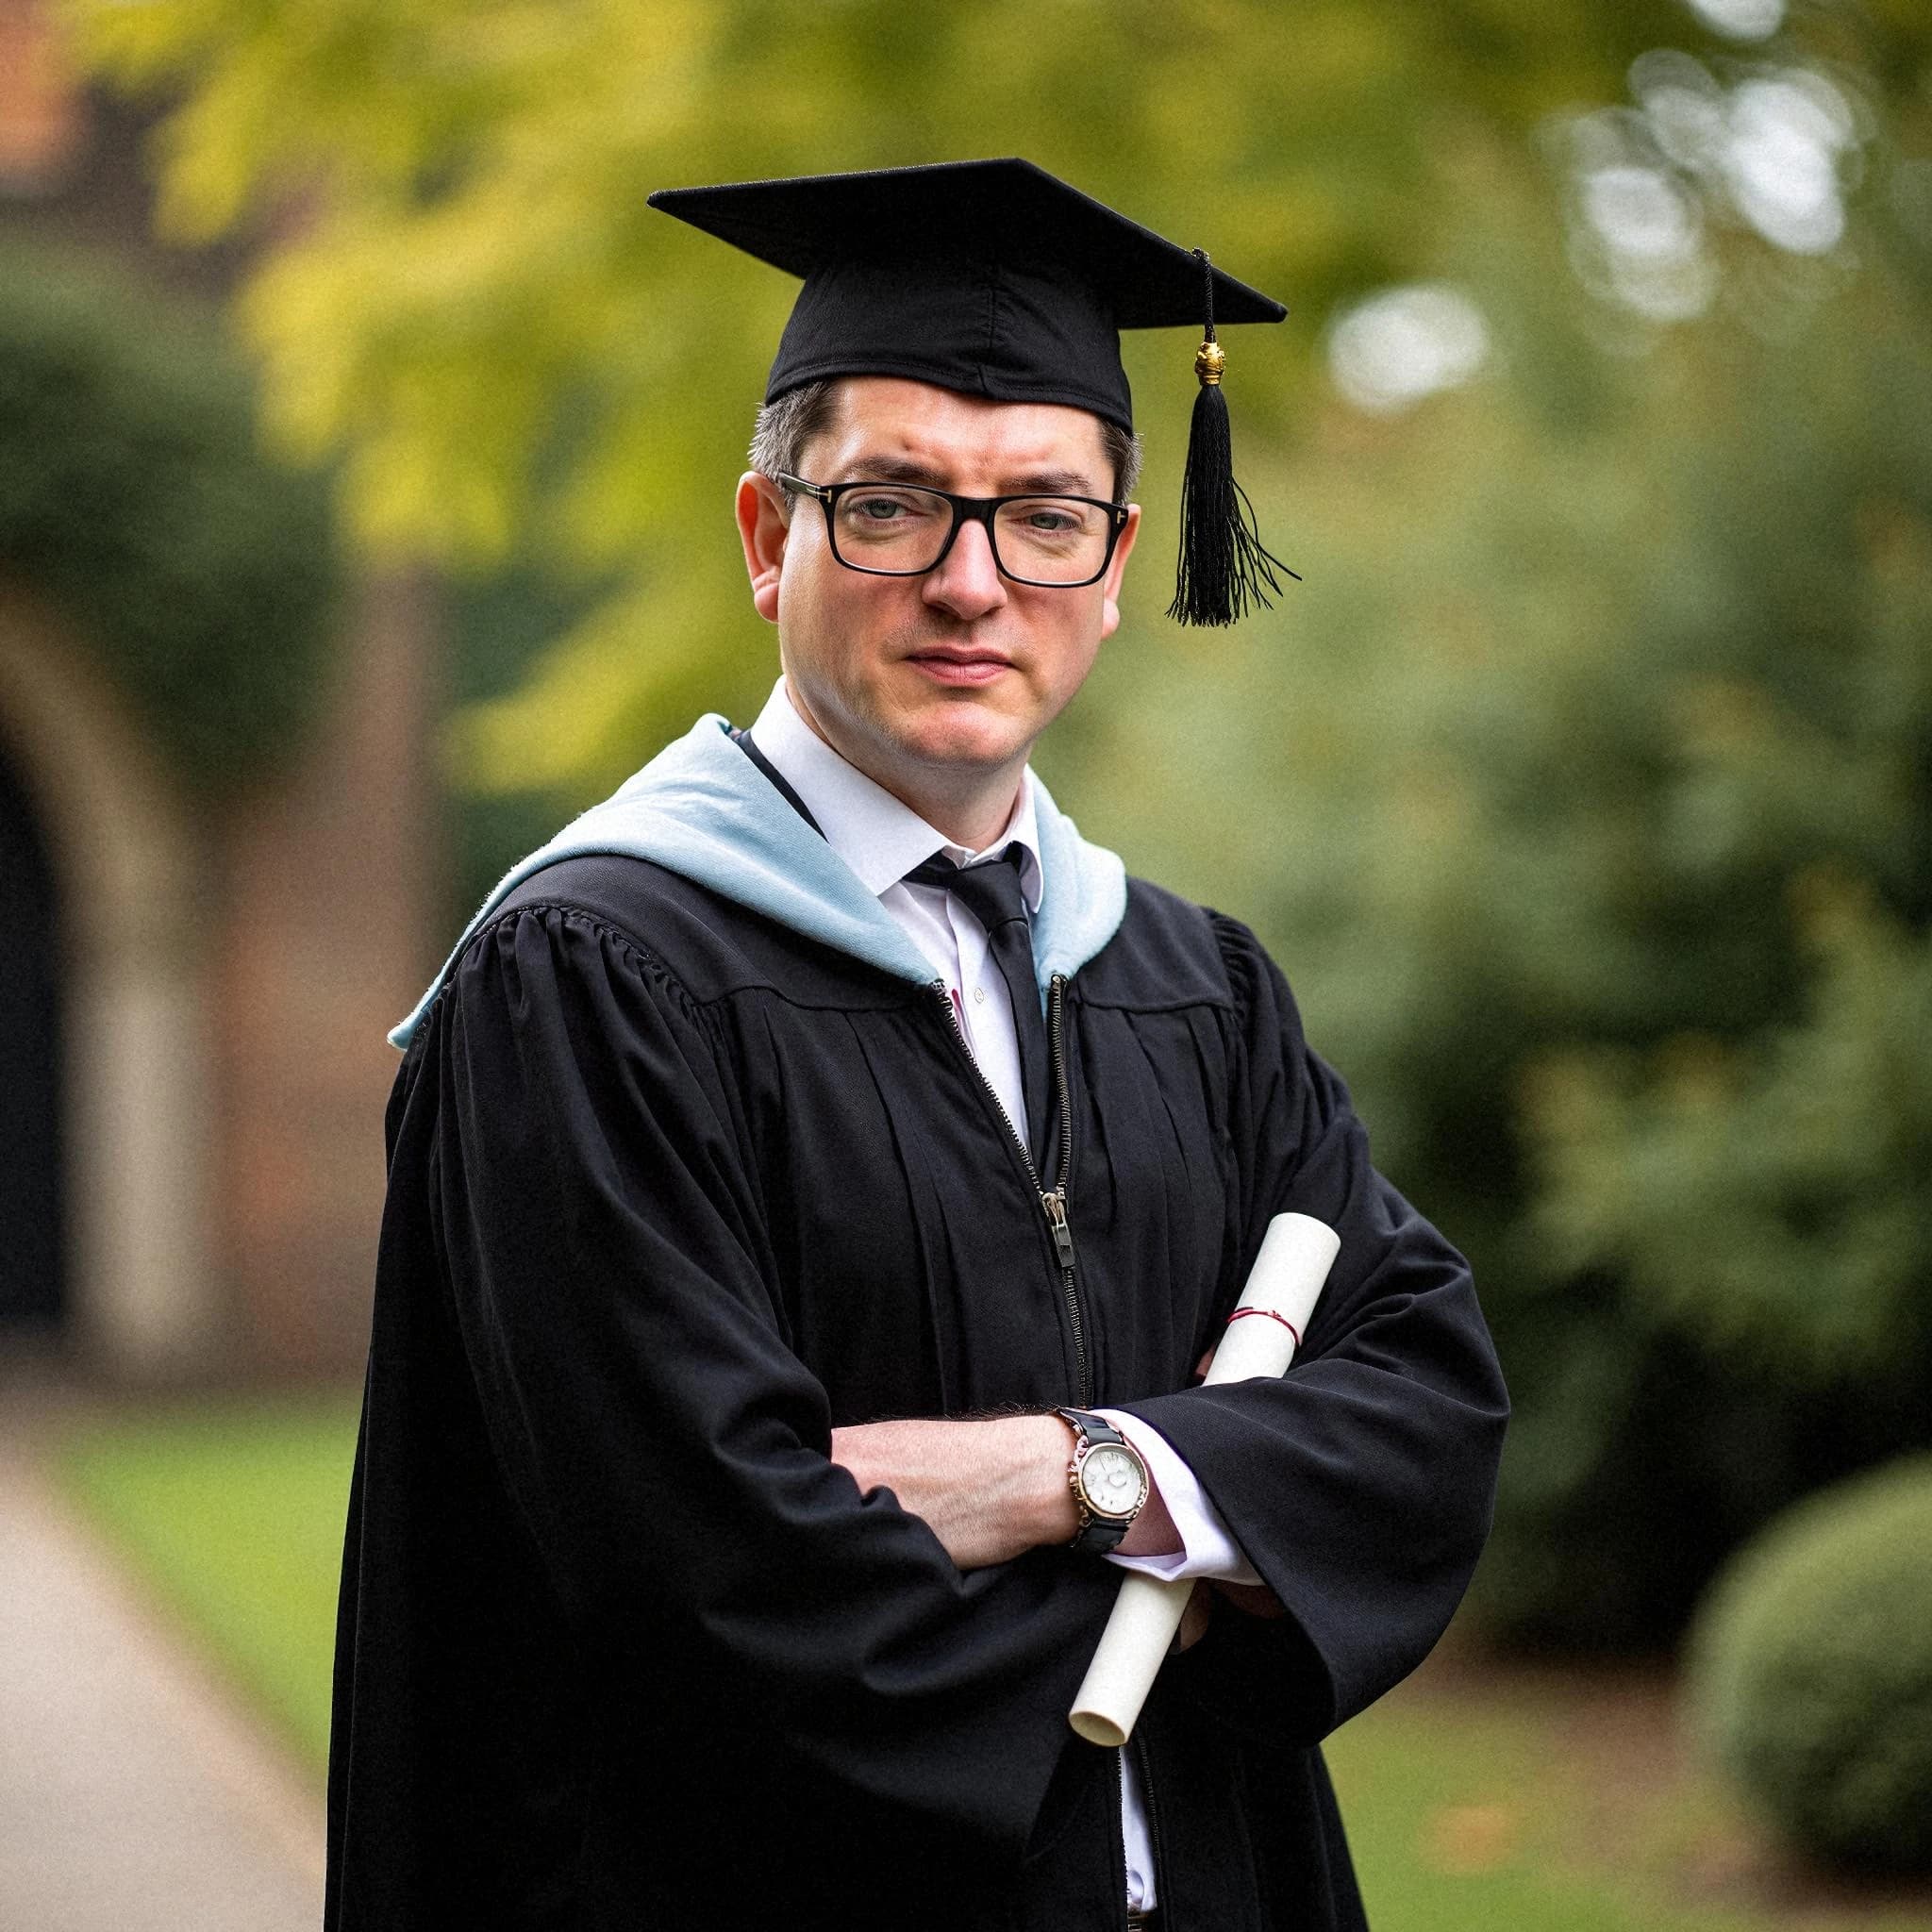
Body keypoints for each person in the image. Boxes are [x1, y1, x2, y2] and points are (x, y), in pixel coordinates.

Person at [325, 158, 1507, 1932]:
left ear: (1115, 567)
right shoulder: (591, 979)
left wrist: (1066, 1471)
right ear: (763, 538)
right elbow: (708, 1576)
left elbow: (1426, 1411)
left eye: (1046, 516)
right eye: (890, 507)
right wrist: (1217, 1513)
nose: (974, 583)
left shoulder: (1196, 989)